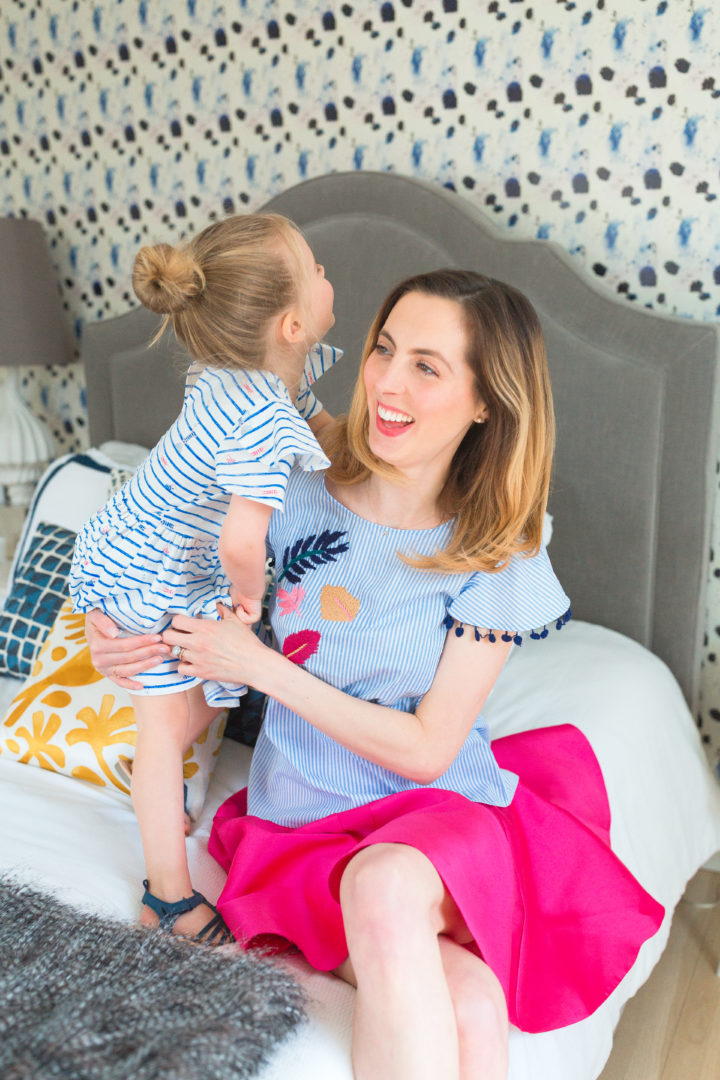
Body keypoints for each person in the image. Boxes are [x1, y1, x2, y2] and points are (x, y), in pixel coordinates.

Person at [86, 270, 664, 1080]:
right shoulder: (288, 490)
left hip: (437, 816)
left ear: (485, 400)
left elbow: (430, 750)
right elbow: (170, 583)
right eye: (383, 349)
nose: (388, 383)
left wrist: (262, 670)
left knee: (388, 883)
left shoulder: (500, 547)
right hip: (302, 830)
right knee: (465, 999)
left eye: (427, 366)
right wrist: (118, 645)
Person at [70, 212, 339, 945]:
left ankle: (147, 779)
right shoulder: (259, 416)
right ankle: (167, 897)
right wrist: (246, 601)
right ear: (288, 324)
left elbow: (307, 416)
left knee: (195, 705)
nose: (326, 276)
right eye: (315, 268)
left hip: (147, 543)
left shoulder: (235, 371)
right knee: (165, 725)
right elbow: (241, 537)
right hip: (150, 567)